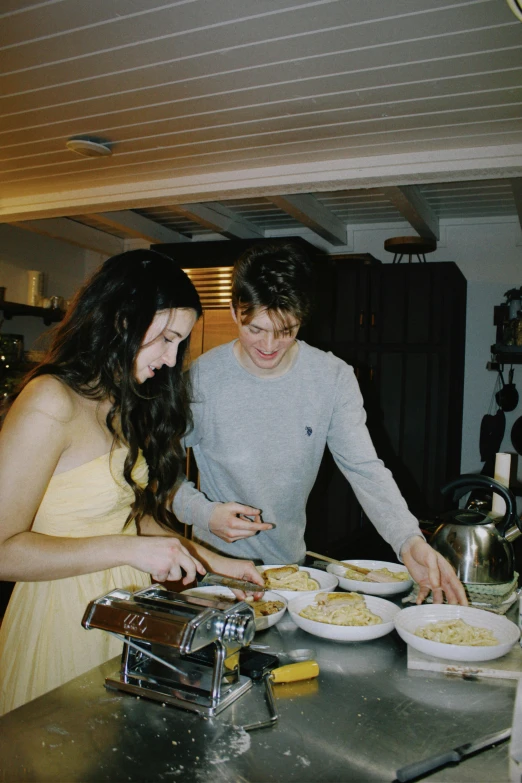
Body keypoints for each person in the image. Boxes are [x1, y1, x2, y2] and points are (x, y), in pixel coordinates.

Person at [0, 248, 263, 716]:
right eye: (165, 338)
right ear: (120, 320)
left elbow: (133, 518)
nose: (171, 358)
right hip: (63, 617)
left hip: (127, 608)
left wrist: (216, 562)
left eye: (180, 343)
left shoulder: (125, 401)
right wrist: (127, 550)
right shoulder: (49, 401)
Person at [172, 241, 468, 606]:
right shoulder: (200, 380)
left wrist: (409, 540)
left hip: (292, 576)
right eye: (256, 329)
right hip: (216, 573)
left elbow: (364, 469)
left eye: (285, 331)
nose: (269, 345)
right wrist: (203, 512)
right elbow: (157, 474)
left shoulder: (332, 377)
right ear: (235, 311)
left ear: (302, 318)